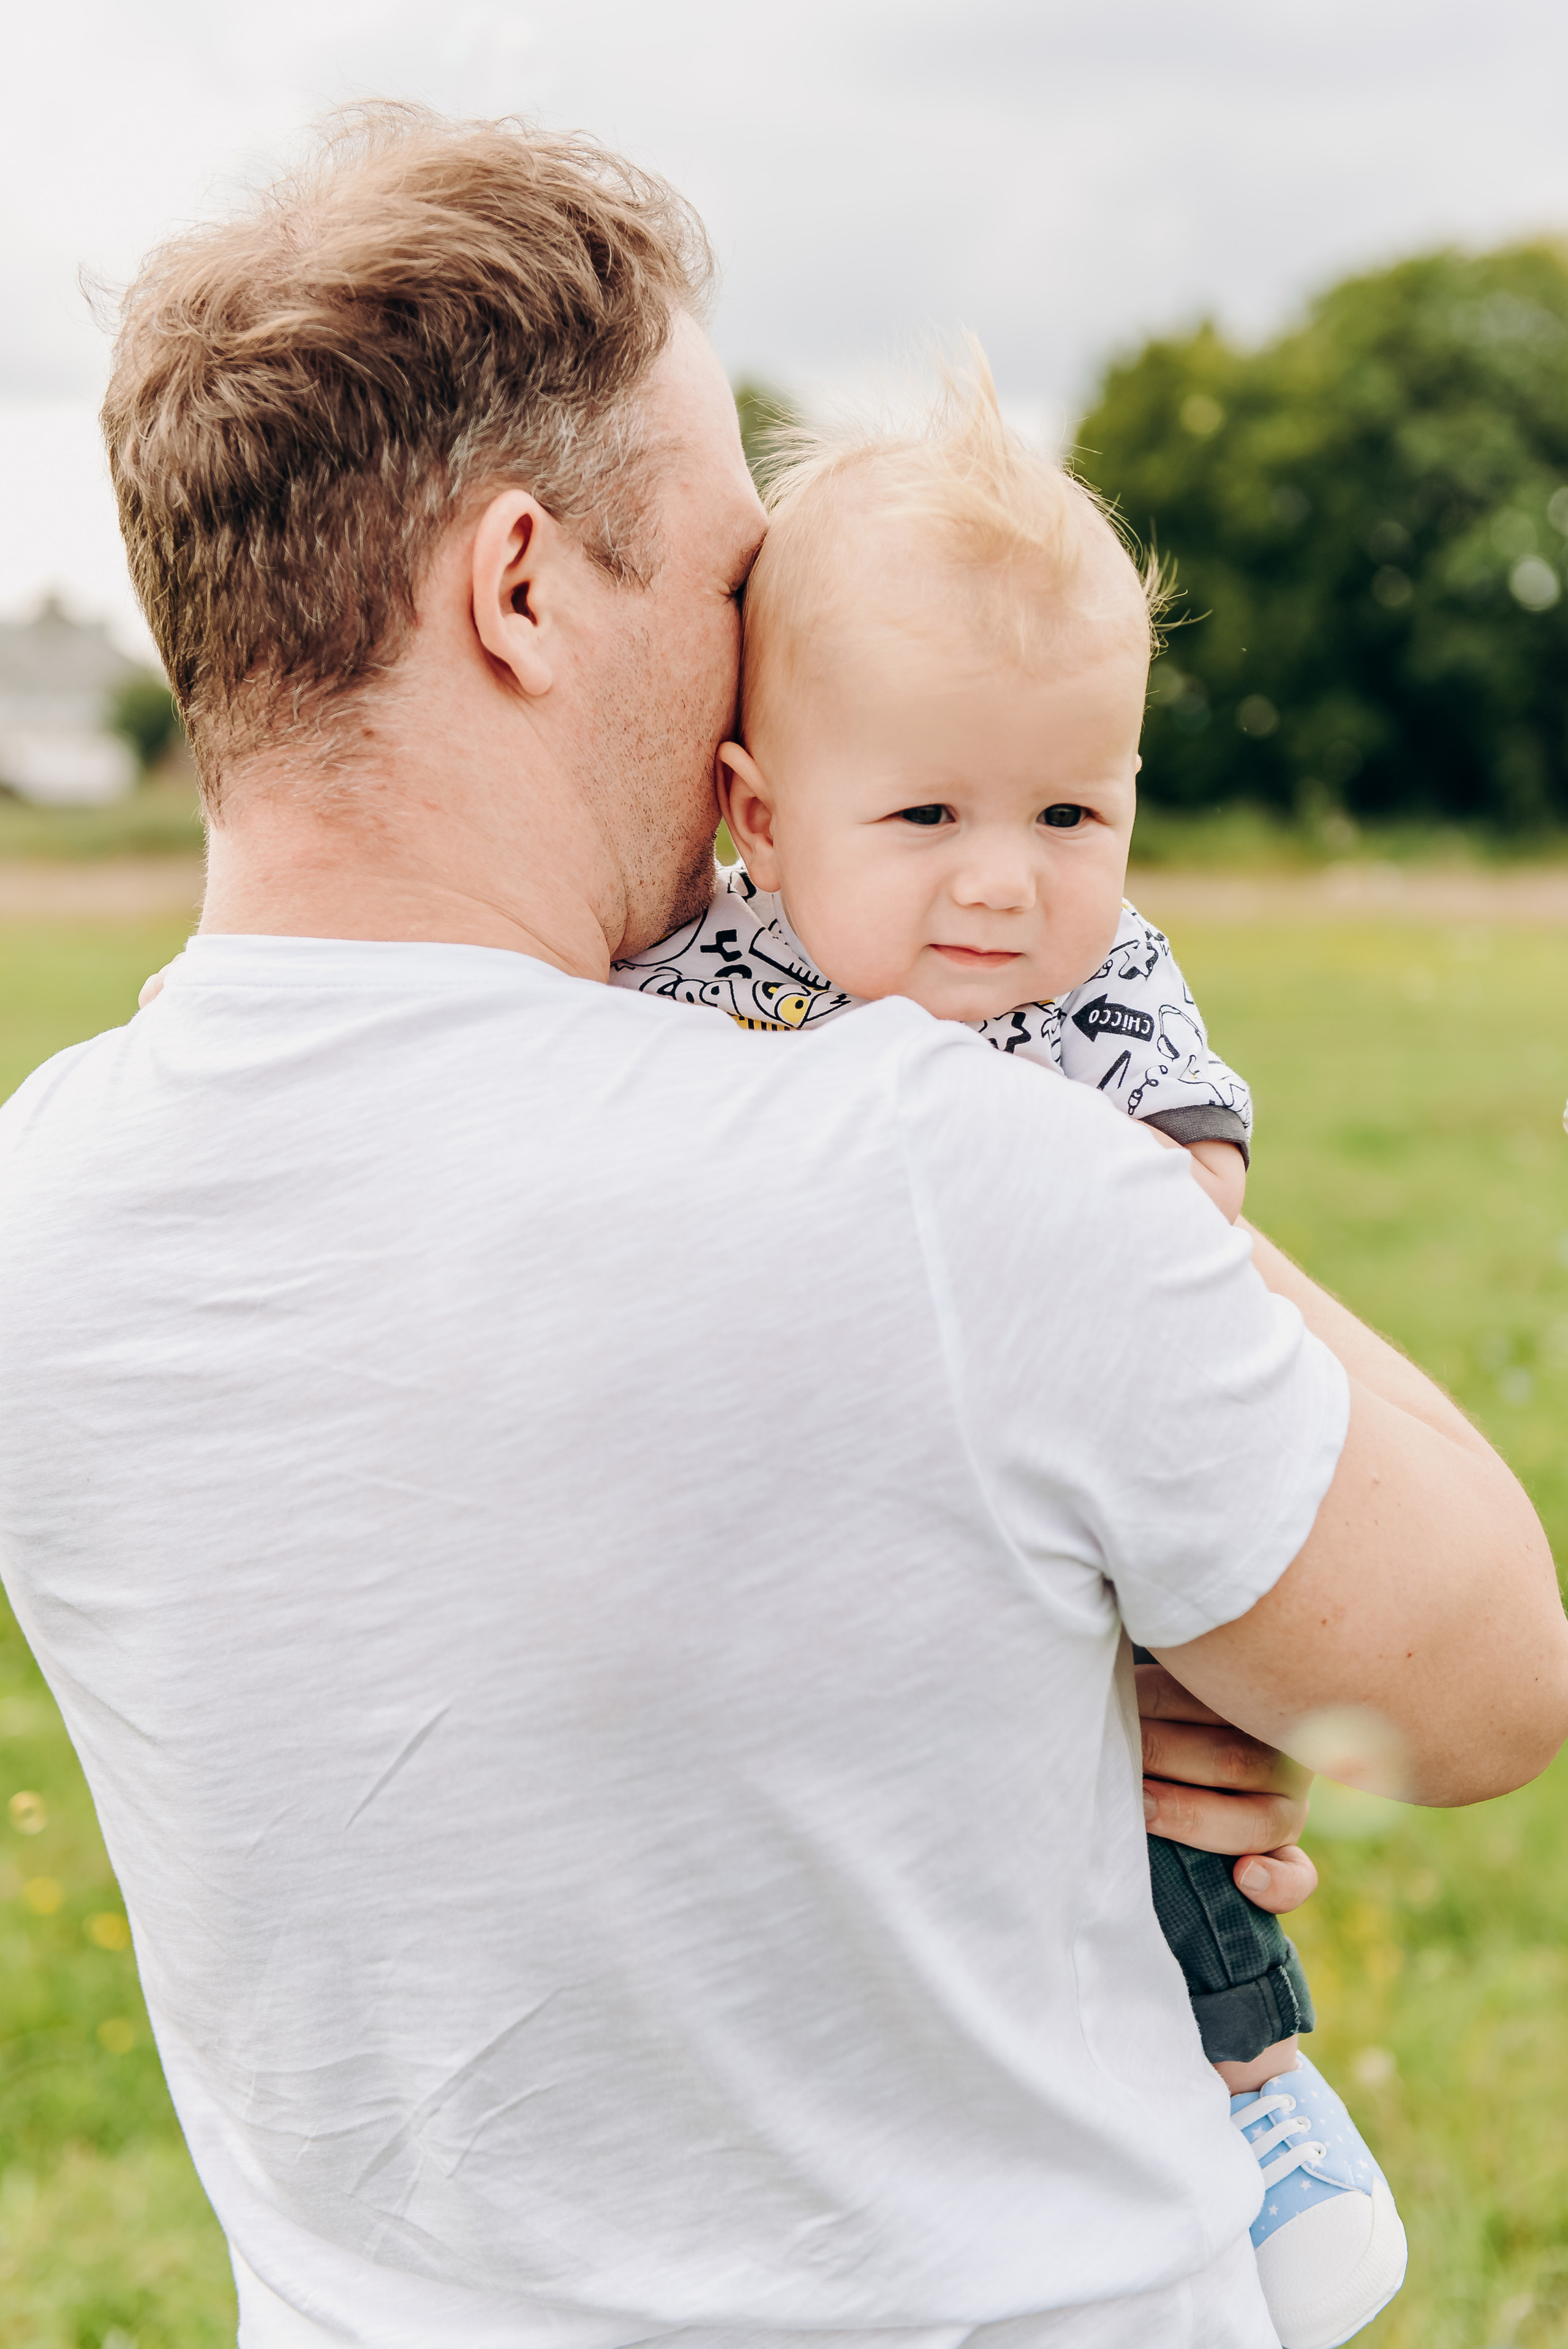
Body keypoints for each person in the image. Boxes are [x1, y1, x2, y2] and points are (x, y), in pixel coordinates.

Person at [0, 106, 1563, 2349]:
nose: (763, 658)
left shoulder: (36, 1211)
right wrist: (1087, 1148)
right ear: (523, 588)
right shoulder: (938, 1163)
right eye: (734, 581)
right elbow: (1492, 1671)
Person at [603, 362, 1388, 2347]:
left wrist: (1107, 1206)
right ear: (763, 818)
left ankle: (1253, 2098)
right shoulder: (705, 981)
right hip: (826, 1543)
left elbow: (1196, 1181)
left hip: (1080, 1528)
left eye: (1071, 810)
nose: (1002, 877)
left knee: (1180, 1803)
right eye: (929, 813)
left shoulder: (1104, 985)